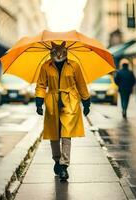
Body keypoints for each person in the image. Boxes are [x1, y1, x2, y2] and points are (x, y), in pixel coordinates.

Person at [35, 41, 90, 182]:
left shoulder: (74, 66)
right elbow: (41, 85)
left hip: (69, 101)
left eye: (61, 52)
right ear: (51, 52)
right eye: (56, 52)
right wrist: (39, 101)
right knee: (54, 134)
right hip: (52, 102)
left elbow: (81, 84)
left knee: (66, 133)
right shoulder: (45, 66)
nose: (59, 54)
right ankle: (57, 160)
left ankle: (64, 166)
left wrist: (86, 101)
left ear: (66, 51)